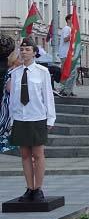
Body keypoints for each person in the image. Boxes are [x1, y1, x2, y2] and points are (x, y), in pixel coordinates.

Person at [6, 38, 56, 202]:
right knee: (25, 154)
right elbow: (13, 98)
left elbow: (48, 96)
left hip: (37, 117)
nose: (24, 52)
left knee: (38, 154)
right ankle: (29, 188)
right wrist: (12, 119)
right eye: (22, 49)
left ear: (34, 53)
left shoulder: (42, 72)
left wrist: (50, 118)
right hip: (20, 117)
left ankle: (38, 188)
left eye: (28, 49)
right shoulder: (15, 73)